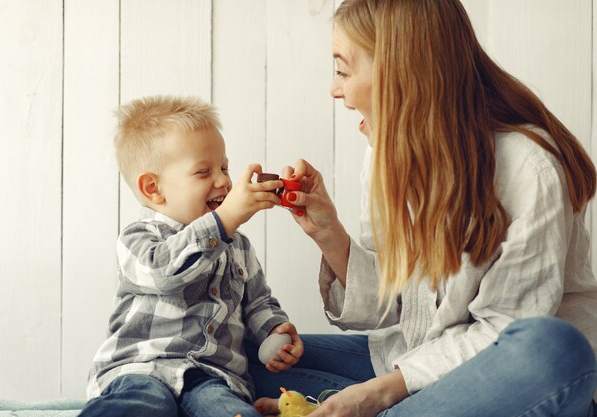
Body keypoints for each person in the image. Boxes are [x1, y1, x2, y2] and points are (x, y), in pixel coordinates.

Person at [250, 1, 597, 416]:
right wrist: (329, 234)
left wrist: (378, 393)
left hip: (512, 377)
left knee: (555, 349)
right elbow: (398, 307)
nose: (334, 89)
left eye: (342, 70)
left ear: (400, 75)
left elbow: (503, 331)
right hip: (422, 364)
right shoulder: (388, 154)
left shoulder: (528, 167)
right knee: (251, 358)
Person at [78, 95, 304, 417]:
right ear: (154, 189)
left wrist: (274, 330)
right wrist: (223, 222)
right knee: (139, 406)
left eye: (225, 167)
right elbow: (163, 271)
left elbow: (258, 303)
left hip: (215, 377)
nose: (224, 180)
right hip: (143, 370)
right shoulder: (139, 238)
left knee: (230, 411)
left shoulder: (238, 246)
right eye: (203, 172)